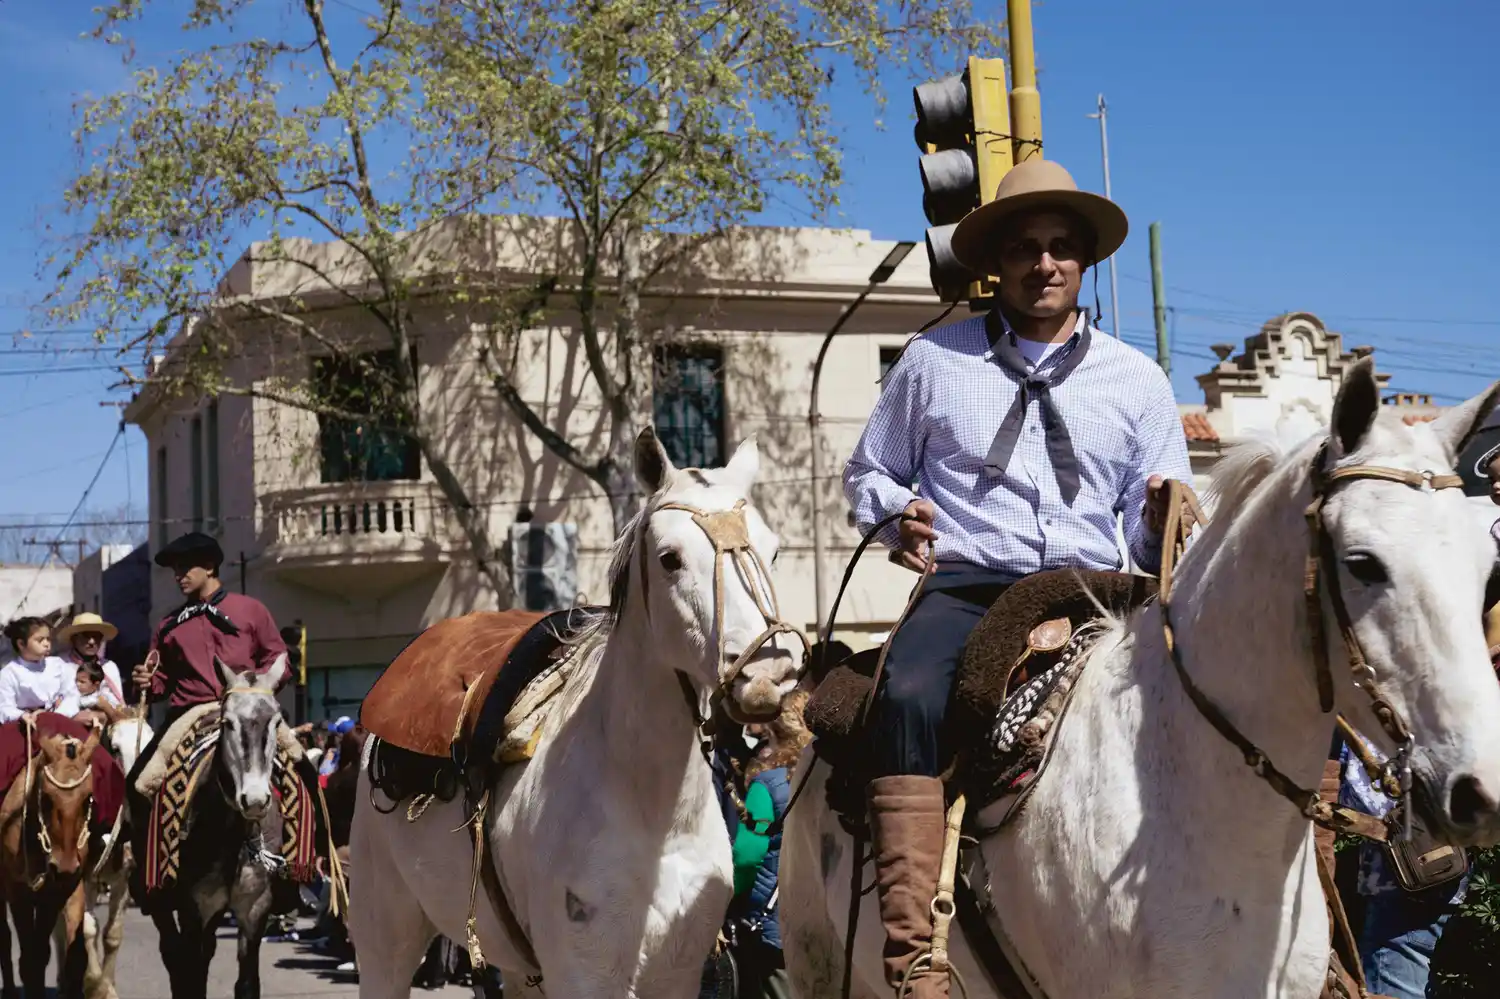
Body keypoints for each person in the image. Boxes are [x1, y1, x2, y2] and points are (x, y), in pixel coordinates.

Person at [842, 158, 1194, 997]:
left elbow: (1166, 528)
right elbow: (868, 475)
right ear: (997, 261)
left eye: (1062, 247)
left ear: (1083, 262)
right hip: (969, 584)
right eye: (1028, 247)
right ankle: (914, 955)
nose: (1046, 263)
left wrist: (1159, 513)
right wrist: (898, 516)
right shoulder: (932, 360)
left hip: (1098, 588)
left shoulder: (1139, 381)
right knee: (906, 695)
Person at [0, 617, 125, 827]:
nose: (47, 644)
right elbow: (4, 707)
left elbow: (71, 695)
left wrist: (57, 713)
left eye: (48, 639)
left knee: (99, 757)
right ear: (21, 644)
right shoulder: (8, 673)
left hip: (57, 720)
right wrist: (23, 715)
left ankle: (109, 816)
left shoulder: (57, 665)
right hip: (24, 725)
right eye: (40, 640)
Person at [728, 690, 812, 999]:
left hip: (776, 927)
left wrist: (731, 896)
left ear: (773, 732)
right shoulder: (829, 778)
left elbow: (747, 856)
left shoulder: (767, 786)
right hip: (824, 916)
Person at [57, 612, 126, 710]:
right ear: (74, 639)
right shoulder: (60, 665)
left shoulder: (109, 667)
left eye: (96, 636)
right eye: (86, 636)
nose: (92, 642)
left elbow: (118, 705)